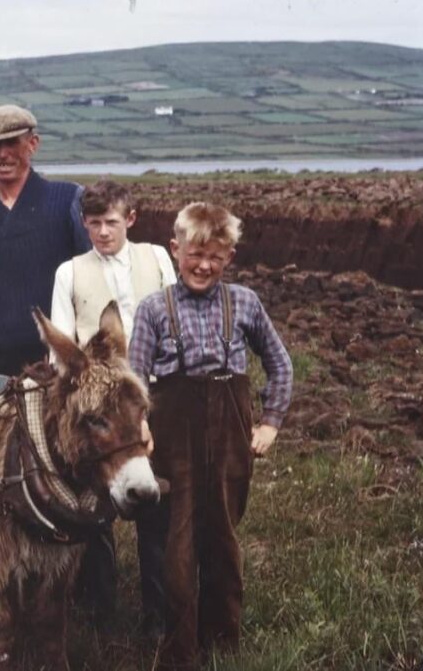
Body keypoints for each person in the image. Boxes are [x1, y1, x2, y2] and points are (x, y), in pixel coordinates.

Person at [128, 202, 293, 670]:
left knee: (222, 535)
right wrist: (139, 422)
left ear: (230, 257)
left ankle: (222, 640)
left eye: (215, 257)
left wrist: (271, 422)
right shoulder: (153, 310)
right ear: (175, 249)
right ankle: (180, 649)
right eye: (195, 254)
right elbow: (135, 378)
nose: (203, 265)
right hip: (171, 439)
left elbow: (280, 363)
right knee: (176, 542)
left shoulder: (244, 303)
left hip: (230, 438)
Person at [49, 179, 175, 632]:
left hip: (150, 397)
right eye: (94, 223)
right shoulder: (70, 272)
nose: (103, 232)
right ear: (84, 223)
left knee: (156, 511)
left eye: (112, 223)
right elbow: (60, 352)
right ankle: (101, 611)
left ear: (131, 220)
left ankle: (157, 615)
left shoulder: (157, 259)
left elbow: (174, 325)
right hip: (98, 405)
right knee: (94, 514)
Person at [0, 104, 91, 378]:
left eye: (11, 143)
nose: (3, 154)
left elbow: (87, 284)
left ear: (33, 144)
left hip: (60, 364)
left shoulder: (68, 200)